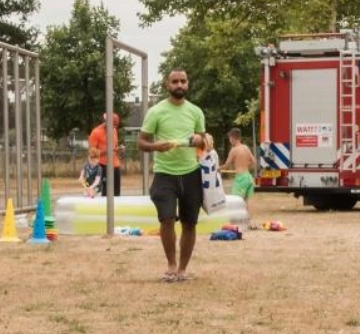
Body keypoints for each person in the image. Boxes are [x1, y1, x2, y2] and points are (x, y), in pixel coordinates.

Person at [139, 68, 208, 283]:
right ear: (167, 85)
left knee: (190, 223)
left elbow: (205, 141)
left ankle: (182, 269)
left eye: (183, 81)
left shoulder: (196, 112)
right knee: (167, 219)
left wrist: (200, 140)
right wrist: (155, 147)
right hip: (164, 174)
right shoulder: (156, 111)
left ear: (188, 84)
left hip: (191, 173)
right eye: (175, 81)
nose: (179, 85)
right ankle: (170, 264)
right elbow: (141, 142)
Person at [87, 113, 122, 197]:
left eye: (115, 126)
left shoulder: (114, 131)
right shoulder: (96, 132)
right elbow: (92, 153)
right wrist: (106, 151)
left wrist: (118, 149)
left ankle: (116, 209)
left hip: (115, 165)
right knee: (106, 192)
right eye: (113, 126)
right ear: (106, 122)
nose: (114, 128)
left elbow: (114, 147)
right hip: (103, 165)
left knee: (116, 192)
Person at [220, 127, 257, 202]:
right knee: (246, 203)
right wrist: (246, 166)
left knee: (236, 201)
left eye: (230, 138)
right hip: (248, 177)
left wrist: (216, 168)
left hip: (240, 179)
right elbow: (254, 161)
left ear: (232, 138)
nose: (230, 141)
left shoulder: (233, 150)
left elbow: (226, 166)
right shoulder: (246, 147)